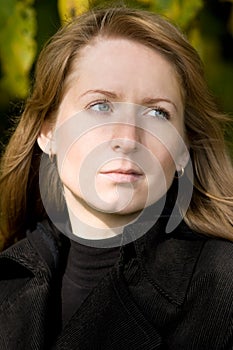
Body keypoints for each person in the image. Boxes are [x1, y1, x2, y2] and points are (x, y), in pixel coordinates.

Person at [0, 5, 233, 350]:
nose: (128, 136)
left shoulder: (222, 287)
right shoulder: (7, 282)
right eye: (101, 106)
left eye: (157, 112)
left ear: (184, 148)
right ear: (47, 131)